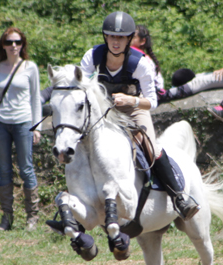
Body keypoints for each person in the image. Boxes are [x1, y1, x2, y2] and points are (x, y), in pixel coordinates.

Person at [79, 11, 198, 219]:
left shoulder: (140, 63)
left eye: (121, 37)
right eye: (112, 37)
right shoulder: (92, 56)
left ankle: (179, 197)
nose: (116, 42)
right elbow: (80, 86)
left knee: (152, 146)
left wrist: (130, 100)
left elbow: (152, 102)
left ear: (128, 40)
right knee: (76, 143)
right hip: (104, 110)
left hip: (134, 109)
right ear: (105, 37)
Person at [0, 27, 42, 231]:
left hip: (23, 122)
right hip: (0, 124)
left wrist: (36, 127)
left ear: (22, 44)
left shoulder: (30, 67)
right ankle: (7, 218)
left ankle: (32, 217)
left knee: (26, 168)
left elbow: (36, 98)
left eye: (17, 42)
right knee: (4, 171)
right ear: (3, 45)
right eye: (9, 42)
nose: (13, 46)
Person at [131, 25, 167, 101]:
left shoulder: (143, 59)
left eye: (133, 37)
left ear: (142, 41)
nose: (129, 39)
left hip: (149, 96)